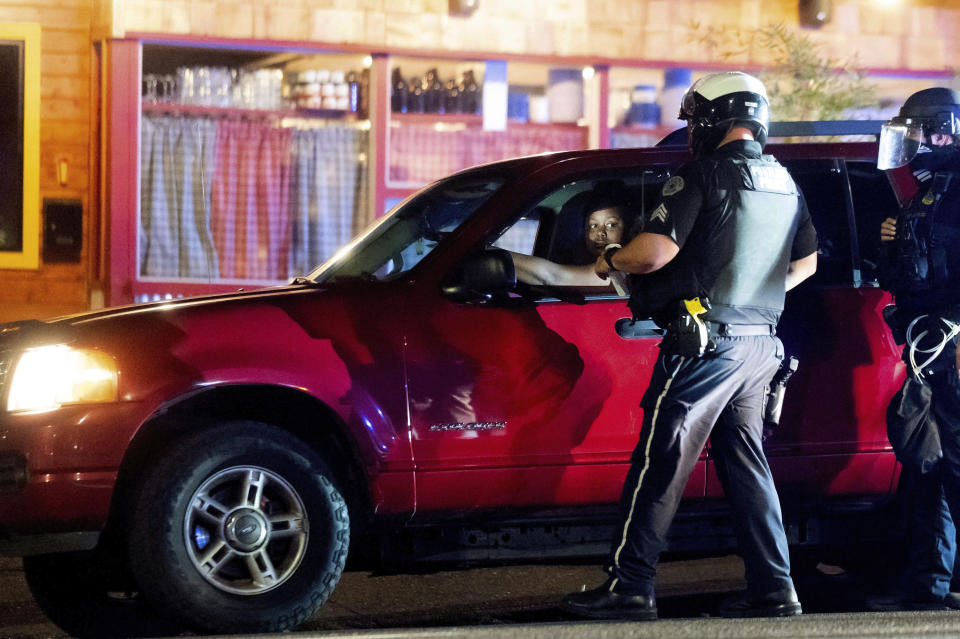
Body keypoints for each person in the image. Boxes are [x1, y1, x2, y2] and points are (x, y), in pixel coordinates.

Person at [560, 71, 818, 621]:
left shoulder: (701, 174)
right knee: (748, 466)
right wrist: (755, 294)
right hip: (759, 347)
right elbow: (805, 264)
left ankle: (630, 586)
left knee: (662, 459)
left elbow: (653, 253)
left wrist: (610, 259)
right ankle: (776, 590)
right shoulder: (783, 180)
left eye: (697, 118)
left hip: (706, 345)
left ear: (713, 118)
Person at [870, 87, 960, 611]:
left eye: (921, 131)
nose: (915, 142)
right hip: (928, 347)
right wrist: (892, 241)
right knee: (929, 464)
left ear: (945, 127)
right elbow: (906, 273)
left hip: (951, 344)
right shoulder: (930, 189)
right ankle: (930, 583)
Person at [511, 187, 633, 288]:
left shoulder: (622, 269)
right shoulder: (578, 260)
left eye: (611, 225)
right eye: (594, 226)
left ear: (628, 229)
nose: (601, 233)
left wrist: (496, 253)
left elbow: (554, 276)